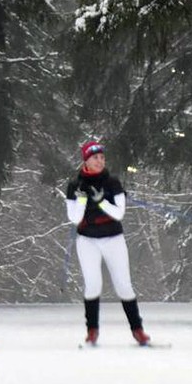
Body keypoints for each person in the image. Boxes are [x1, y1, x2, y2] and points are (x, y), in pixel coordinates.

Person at [65, 139, 150, 346]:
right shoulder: (75, 184)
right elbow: (74, 218)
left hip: (113, 238)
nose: (100, 161)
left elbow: (119, 214)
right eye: (95, 158)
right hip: (87, 240)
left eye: (102, 157)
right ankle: (92, 330)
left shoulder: (112, 182)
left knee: (123, 285)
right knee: (93, 285)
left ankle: (137, 330)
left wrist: (101, 201)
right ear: (86, 160)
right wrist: (83, 199)